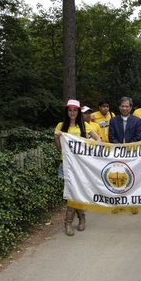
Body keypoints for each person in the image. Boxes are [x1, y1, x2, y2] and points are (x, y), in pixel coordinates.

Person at [54, 99, 101, 236]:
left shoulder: (84, 125)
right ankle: (78, 219)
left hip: (81, 165)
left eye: (75, 110)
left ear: (78, 112)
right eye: (70, 110)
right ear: (67, 111)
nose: (72, 112)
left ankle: (71, 221)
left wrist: (87, 143)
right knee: (71, 191)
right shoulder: (61, 126)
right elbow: (59, 148)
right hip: (67, 164)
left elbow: (98, 140)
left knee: (77, 191)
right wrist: (57, 138)